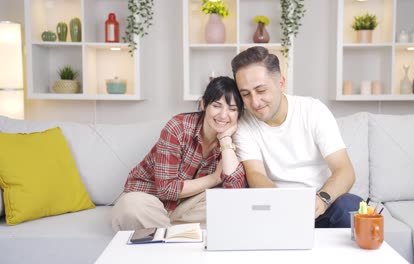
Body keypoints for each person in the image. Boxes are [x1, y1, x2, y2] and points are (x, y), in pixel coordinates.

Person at [231, 46, 361, 228]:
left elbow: (345, 170)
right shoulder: (244, 124)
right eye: (245, 94)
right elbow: (255, 174)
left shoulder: (313, 111)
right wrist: (284, 206)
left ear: (281, 83)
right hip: (274, 208)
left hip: (320, 206)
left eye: (261, 91)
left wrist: (322, 200)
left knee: (350, 205)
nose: (254, 102)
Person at [112, 76, 246, 231]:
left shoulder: (236, 137)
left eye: (232, 109)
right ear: (204, 104)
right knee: (130, 207)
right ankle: (178, 235)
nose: (223, 115)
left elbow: (235, 192)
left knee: (228, 205)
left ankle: (164, 233)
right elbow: (166, 189)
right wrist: (215, 178)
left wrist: (225, 140)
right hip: (150, 201)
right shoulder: (178, 127)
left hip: (186, 207)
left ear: (239, 114)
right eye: (217, 106)